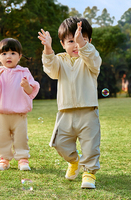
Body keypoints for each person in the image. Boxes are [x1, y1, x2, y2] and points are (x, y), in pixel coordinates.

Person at [38, 17, 102, 189]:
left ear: (89, 41)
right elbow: (50, 69)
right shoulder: (59, 60)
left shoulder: (90, 60)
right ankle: (74, 161)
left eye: (82, 39)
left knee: (90, 145)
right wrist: (48, 48)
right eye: (71, 41)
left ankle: (89, 172)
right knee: (60, 144)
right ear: (62, 43)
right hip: (65, 112)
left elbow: (94, 59)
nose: (76, 45)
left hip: (88, 112)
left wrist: (84, 46)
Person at [0, 38, 40, 171]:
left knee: (21, 138)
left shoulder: (24, 72)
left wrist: (26, 86)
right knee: (2, 138)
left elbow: (32, 91)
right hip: (1, 114)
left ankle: (23, 160)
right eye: (4, 53)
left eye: (13, 53)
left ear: (19, 56)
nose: (9, 56)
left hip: (19, 114)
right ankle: (4, 160)